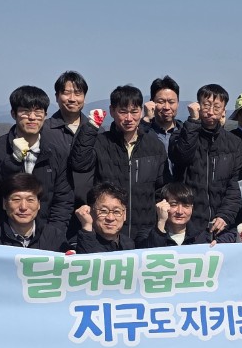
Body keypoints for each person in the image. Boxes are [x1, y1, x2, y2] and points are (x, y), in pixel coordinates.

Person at [68, 85, 170, 241]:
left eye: (134, 112)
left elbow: (161, 190)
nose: (129, 118)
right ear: (112, 111)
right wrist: (91, 127)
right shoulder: (101, 142)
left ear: (141, 111)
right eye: (123, 112)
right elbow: (79, 163)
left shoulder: (154, 146)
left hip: (145, 231)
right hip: (107, 230)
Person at [0, 85, 73, 241]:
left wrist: (52, 236)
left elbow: (63, 200)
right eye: (25, 111)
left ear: (45, 115)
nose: (32, 117)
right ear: (13, 113)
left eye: (38, 112)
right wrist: (13, 160)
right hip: (2, 237)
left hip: (45, 238)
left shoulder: (57, 153)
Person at [169, 83, 242, 237]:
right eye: (206, 105)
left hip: (222, 224)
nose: (210, 112)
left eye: (216, 107)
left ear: (224, 110)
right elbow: (182, 157)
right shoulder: (180, 136)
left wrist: (225, 215)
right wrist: (193, 121)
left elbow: (234, 185)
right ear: (198, 106)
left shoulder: (234, 143)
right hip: (188, 221)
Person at [45, 70, 96, 207]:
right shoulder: (44, 131)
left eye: (78, 93)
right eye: (66, 93)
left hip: (87, 207)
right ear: (57, 97)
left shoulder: (95, 131)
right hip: (53, 207)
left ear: (84, 97)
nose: (72, 98)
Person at [0, 172, 67, 251]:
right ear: (4, 203)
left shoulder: (54, 236)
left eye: (30, 200)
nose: (23, 207)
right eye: (16, 199)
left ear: (39, 204)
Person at [139, 182, 215, 247]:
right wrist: (161, 222)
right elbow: (151, 253)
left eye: (186, 206)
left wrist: (215, 247)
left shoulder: (201, 237)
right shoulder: (145, 235)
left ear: (192, 208)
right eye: (174, 205)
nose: (180, 211)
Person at [69, 182, 136, 253]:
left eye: (116, 211)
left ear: (124, 214)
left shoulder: (129, 244)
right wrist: (87, 226)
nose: (110, 218)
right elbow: (88, 259)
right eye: (104, 211)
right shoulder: (79, 242)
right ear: (90, 212)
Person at [143, 75, 182, 162]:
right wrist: (145, 120)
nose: (167, 107)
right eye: (161, 102)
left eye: (171, 102)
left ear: (178, 103)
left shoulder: (185, 133)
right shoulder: (143, 132)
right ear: (151, 102)